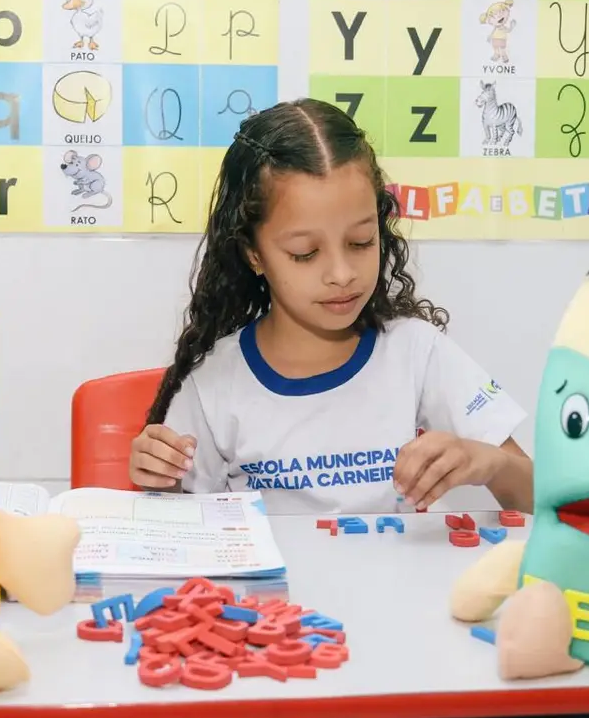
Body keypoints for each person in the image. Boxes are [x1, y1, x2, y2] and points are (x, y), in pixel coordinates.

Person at [128, 98, 533, 517]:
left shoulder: (416, 353)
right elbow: (173, 530)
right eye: (305, 253)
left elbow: (540, 500)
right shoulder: (215, 384)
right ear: (253, 254)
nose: (342, 274)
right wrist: (164, 482)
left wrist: (491, 463)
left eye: (361, 242)